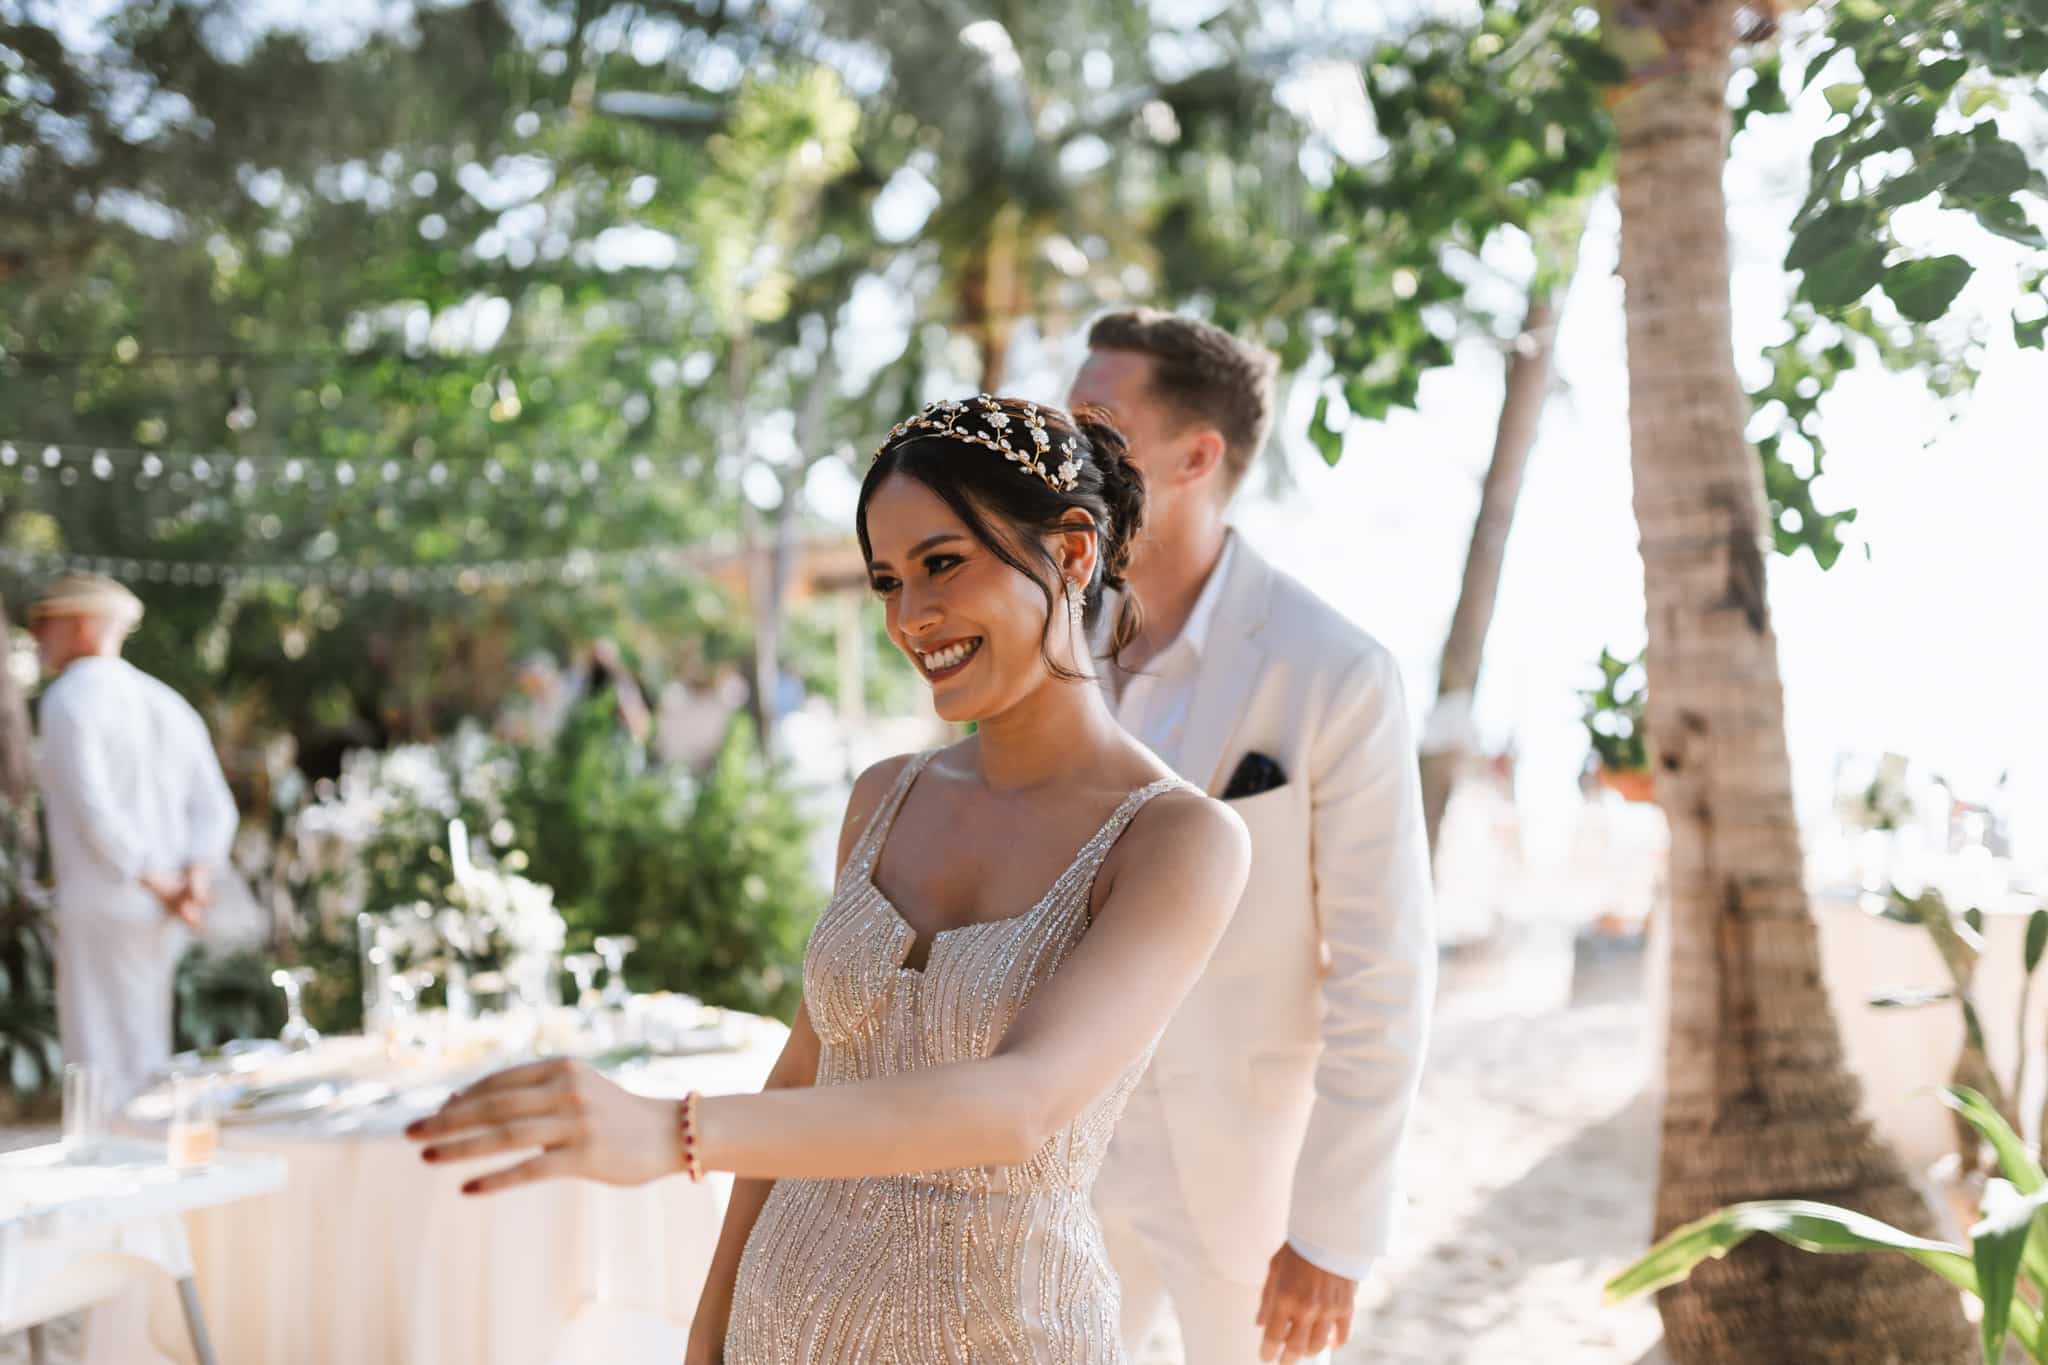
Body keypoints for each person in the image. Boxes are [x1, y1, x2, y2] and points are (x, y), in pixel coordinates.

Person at [405, 396, 1253, 1365]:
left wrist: (672, 1133)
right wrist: (709, 1330)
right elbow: (805, 1071)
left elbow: (1017, 1106)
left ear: (1070, 551)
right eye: (885, 581)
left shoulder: (1177, 840)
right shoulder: (882, 796)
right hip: (783, 1326)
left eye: (941, 565)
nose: (908, 617)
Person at [1068, 310, 1436, 1365]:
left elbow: (1383, 970)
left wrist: (1333, 1232)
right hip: (1061, 1157)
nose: (1063, 453)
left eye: (1097, 424)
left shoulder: (1335, 671)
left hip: (1245, 1181)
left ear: (1194, 456)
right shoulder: (1047, 643)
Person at [28, 573, 240, 1104]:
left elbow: (92, 810)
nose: (37, 640)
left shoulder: (67, 700)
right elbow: (214, 808)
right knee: (146, 1048)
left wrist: (164, 884)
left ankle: (113, 1166)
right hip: (158, 908)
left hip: (106, 900)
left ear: (80, 625)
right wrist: (191, 880)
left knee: (98, 1055)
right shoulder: (164, 701)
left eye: (44, 626)